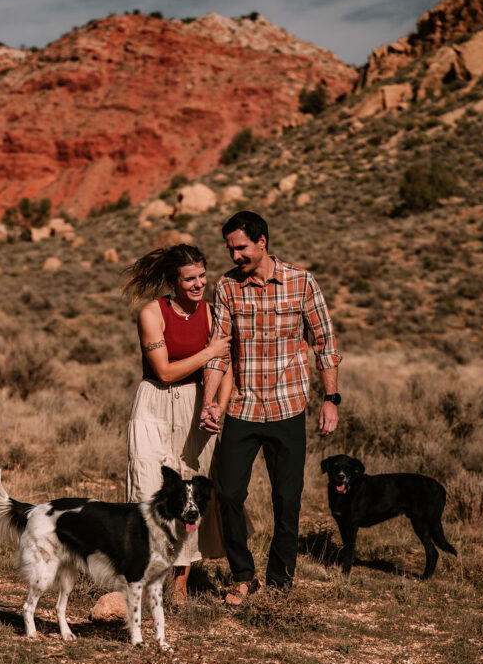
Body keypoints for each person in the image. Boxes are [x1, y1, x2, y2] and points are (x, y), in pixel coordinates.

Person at [200, 210, 341, 605]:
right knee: (227, 494)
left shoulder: (301, 282)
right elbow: (219, 352)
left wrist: (330, 399)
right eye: (230, 249)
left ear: (262, 241)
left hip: (288, 407)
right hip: (243, 409)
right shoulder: (226, 287)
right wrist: (211, 401)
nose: (235, 256)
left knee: (287, 499)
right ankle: (243, 576)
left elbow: (325, 344)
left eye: (241, 247)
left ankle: (280, 583)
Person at [124, 244, 232, 603]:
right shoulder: (152, 313)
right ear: (173, 281)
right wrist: (208, 352)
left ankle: (180, 586)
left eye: (202, 276)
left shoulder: (214, 314)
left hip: (196, 404)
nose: (199, 284)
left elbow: (226, 366)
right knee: (148, 485)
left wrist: (217, 405)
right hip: (154, 401)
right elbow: (166, 371)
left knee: (192, 491)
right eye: (190, 279)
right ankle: (146, 576)